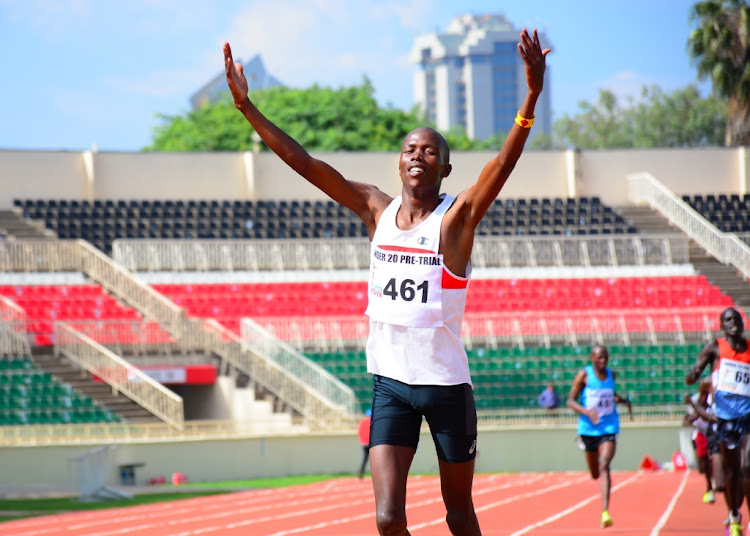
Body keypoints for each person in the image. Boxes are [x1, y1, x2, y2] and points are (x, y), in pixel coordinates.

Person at [224, 27, 549, 536]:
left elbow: (503, 164)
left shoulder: (456, 218)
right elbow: (305, 163)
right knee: (386, 518)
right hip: (391, 385)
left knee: (458, 515)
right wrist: (247, 108)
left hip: (445, 387)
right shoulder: (376, 208)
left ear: (444, 166)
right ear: (398, 162)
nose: (417, 154)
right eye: (409, 149)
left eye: (428, 151)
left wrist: (530, 95)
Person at [686, 307, 750, 536]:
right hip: (726, 418)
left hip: (748, 416)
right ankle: (734, 515)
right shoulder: (715, 347)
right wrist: (693, 374)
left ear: (743, 323)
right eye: (728, 320)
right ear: (722, 325)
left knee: (747, 466)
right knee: (732, 473)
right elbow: (693, 374)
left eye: (737, 319)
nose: (734, 323)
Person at [566, 344, 633, 529]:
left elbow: (610, 396)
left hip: (609, 427)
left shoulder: (612, 375)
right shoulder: (584, 375)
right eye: (599, 357)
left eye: (606, 357)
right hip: (588, 429)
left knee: (604, 465)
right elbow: (570, 401)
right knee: (595, 473)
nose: (603, 360)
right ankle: (598, 479)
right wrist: (587, 412)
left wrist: (623, 401)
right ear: (592, 358)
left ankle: (605, 511)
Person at [683, 388, 715, 503]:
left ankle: (711, 486)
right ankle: (709, 485)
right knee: (703, 464)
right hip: (701, 433)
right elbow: (686, 420)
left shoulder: (715, 397)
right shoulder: (695, 399)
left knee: (714, 459)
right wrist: (693, 417)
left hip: (714, 431)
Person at [358, 409, 372, 479]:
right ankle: (377, 475)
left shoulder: (362, 422)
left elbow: (360, 432)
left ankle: (361, 472)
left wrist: (362, 441)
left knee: (365, 459)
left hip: (364, 443)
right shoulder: (373, 421)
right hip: (372, 443)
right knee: (375, 461)